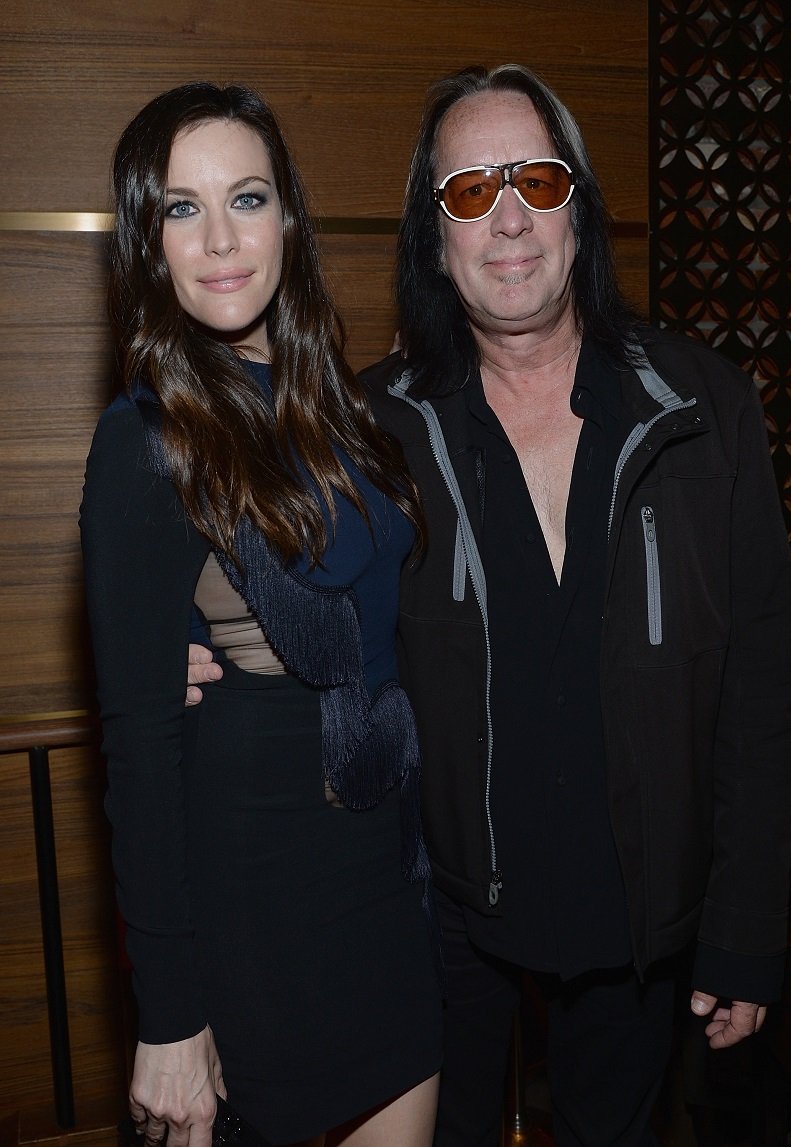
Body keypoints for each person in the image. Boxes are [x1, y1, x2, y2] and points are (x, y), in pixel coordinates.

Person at [186, 65, 791, 1146]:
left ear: (580, 211)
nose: (506, 216)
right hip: (440, 924)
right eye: (468, 190)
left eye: (535, 180)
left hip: (643, 931)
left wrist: (744, 931)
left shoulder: (705, 408)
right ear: (433, 235)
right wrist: (181, 647)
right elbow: (273, 585)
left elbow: (758, 689)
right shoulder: (371, 428)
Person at [80, 82, 441, 1147]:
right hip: (251, 903)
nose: (222, 238)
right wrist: (170, 1017)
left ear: (289, 214)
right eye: (181, 209)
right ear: (147, 240)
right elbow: (139, 745)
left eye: (246, 197)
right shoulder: (144, 441)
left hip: (384, 883)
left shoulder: (346, 411)